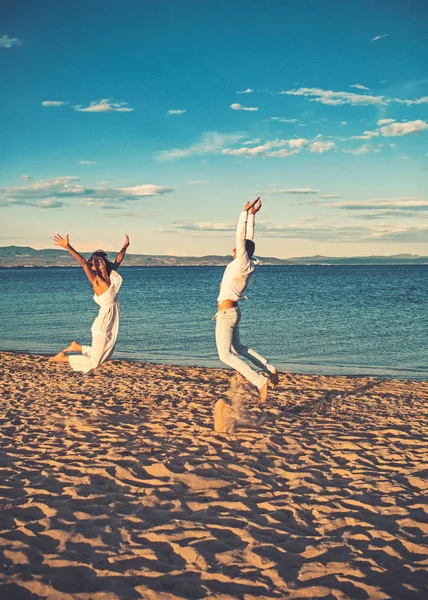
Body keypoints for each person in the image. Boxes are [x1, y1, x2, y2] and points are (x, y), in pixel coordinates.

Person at [215, 198, 278, 402]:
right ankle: (269, 368)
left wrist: (243, 213)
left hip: (227, 314)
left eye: (238, 248)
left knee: (225, 355)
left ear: (243, 252)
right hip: (232, 312)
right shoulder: (246, 263)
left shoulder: (241, 262)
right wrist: (252, 216)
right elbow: (248, 239)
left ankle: (259, 381)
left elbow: (241, 238)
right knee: (239, 348)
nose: (234, 249)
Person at [48, 234, 130, 372]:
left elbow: (118, 259)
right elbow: (82, 262)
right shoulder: (96, 280)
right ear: (93, 267)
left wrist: (125, 246)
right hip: (103, 322)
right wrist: (68, 246)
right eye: (96, 262)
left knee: (106, 355)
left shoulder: (111, 275)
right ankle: (63, 357)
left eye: (101, 260)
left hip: (111, 320)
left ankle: (77, 348)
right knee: (95, 362)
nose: (100, 263)